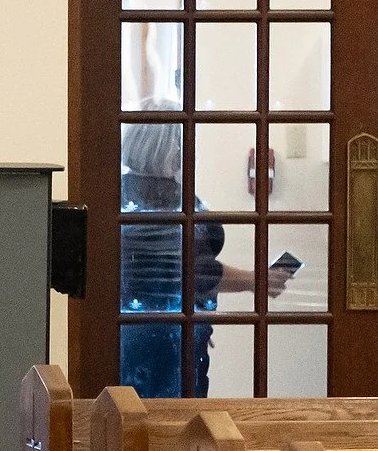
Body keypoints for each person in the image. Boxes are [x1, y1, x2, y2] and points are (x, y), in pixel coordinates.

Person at [117, 125, 291, 397]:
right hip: (166, 339)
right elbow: (197, 271)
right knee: (175, 420)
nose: (184, 153)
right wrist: (258, 280)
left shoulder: (120, 192)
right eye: (179, 144)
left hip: (135, 331)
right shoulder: (170, 198)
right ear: (164, 148)